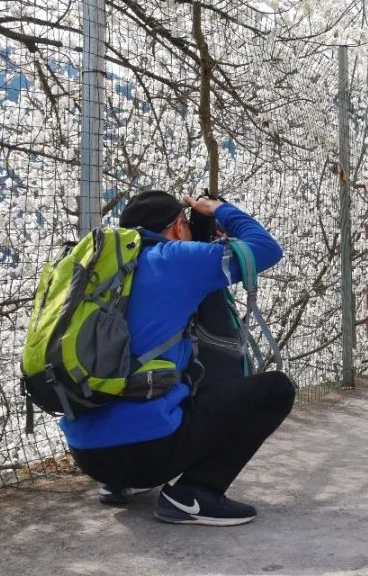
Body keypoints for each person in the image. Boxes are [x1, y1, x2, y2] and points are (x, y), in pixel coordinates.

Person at [61, 190, 294, 526]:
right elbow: (266, 248)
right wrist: (218, 209)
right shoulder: (174, 258)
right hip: (146, 454)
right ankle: (193, 495)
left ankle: (116, 483)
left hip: (87, 453)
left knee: (152, 363)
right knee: (277, 389)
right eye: (185, 223)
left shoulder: (102, 269)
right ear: (176, 227)